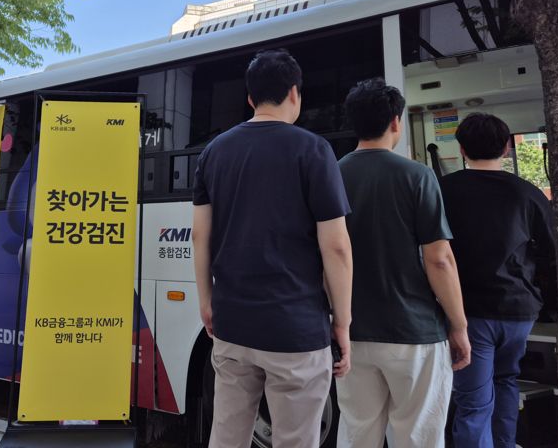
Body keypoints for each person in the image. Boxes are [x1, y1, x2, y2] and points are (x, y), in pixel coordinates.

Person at [192, 48, 353, 448]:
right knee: (296, 440)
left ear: (250, 98)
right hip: (296, 329)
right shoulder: (314, 149)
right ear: (294, 93)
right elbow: (336, 247)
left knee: (226, 436)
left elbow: (200, 236)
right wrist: (342, 323)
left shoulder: (214, 152)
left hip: (232, 324)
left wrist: (207, 302)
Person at [336, 78, 471, 448]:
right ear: (396, 122)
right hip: (414, 331)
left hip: (351, 332)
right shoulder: (417, 175)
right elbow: (439, 259)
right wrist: (459, 326)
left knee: (357, 433)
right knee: (417, 436)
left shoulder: (332, 175)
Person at [440, 113, 555, 448]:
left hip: (469, 313)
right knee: (507, 382)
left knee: (473, 401)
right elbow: (551, 250)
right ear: (507, 147)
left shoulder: (444, 190)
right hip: (519, 311)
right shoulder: (528, 193)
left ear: (462, 149)